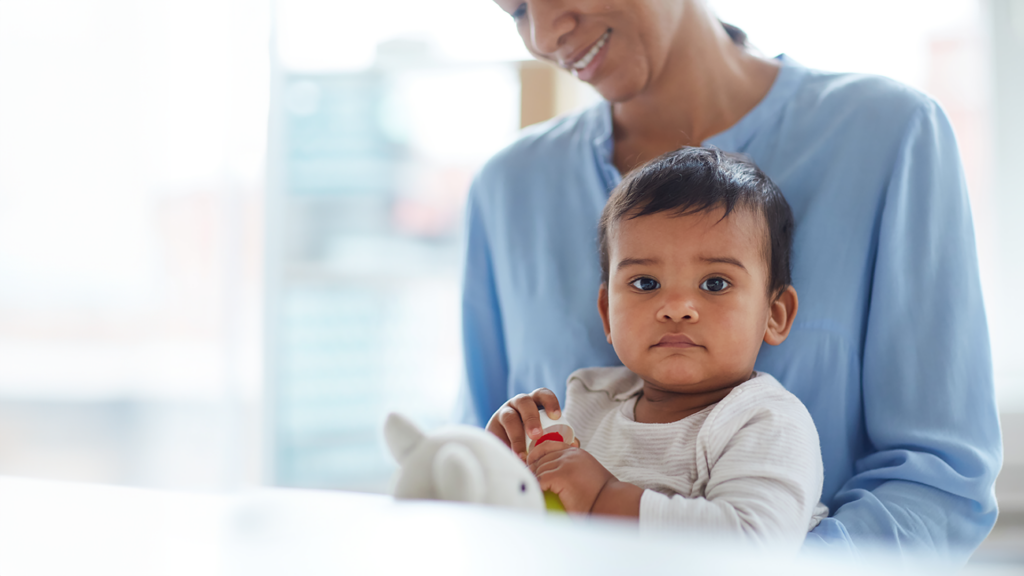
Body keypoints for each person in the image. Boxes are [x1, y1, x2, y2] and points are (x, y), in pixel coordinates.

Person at [460, 0, 1001, 562]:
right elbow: (474, 464)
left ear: (779, 312)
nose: (545, 34)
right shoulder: (507, 187)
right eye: (517, 9)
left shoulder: (890, 134)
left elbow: (937, 482)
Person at [487, 147, 829, 551]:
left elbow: (751, 547)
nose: (676, 309)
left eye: (715, 283)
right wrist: (505, 461)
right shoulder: (590, 401)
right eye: (646, 283)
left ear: (774, 314)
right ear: (607, 314)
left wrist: (604, 498)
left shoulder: (766, 421)